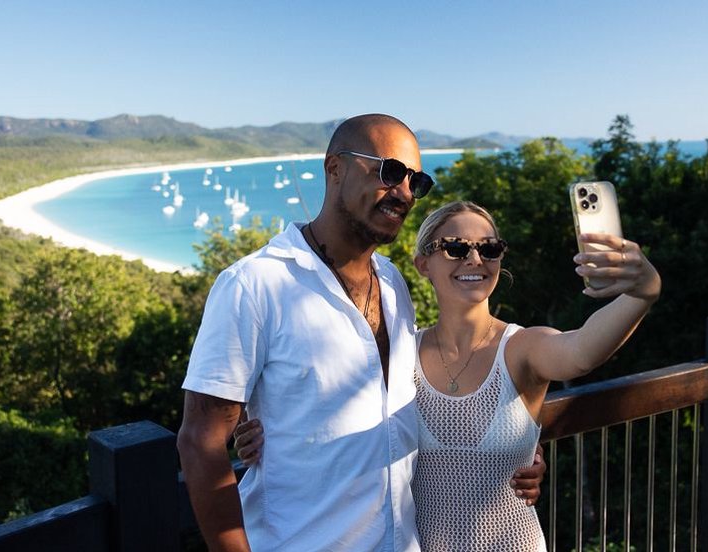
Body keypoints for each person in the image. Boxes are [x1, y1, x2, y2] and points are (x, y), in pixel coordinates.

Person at [177, 114, 545, 552]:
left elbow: (407, 409)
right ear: (335, 169)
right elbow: (200, 443)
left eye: (417, 182)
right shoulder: (255, 285)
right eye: (391, 172)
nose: (405, 193)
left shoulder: (393, 284)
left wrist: (513, 453)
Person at [236, 200, 661, 551]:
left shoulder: (522, 349)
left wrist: (644, 290)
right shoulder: (402, 352)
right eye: (456, 248)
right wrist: (256, 431)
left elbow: (582, 350)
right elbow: (329, 404)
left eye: (489, 248)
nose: (475, 259)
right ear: (423, 264)